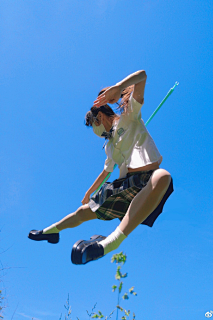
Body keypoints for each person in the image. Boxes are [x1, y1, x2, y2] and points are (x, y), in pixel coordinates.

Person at [28, 70, 174, 265]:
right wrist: (89, 192)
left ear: (100, 118)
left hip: (147, 182)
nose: (96, 132)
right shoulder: (109, 145)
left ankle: (110, 243)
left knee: (163, 176)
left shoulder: (129, 116)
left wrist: (119, 86)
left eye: (94, 126)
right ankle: (50, 231)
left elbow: (143, 77)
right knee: (83, 212)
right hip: (125, 185)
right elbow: (106, 172)